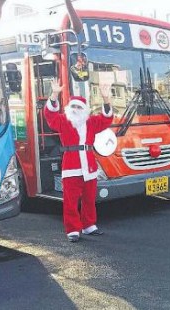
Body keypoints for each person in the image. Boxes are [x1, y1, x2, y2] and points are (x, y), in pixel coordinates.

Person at [44, 79, 114, 242]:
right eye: (73, 106)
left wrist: (106, 99)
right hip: (71, 166)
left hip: (88, 165)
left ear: (84, 110)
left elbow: (106, 119)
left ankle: (89, 225)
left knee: (89, 198)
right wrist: (54, 94)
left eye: (79, 107)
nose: (75, 109)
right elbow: (50, 115)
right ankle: (73, 229)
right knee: (70, 200)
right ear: (69, 108)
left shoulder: (91, 122)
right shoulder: (62, 120)